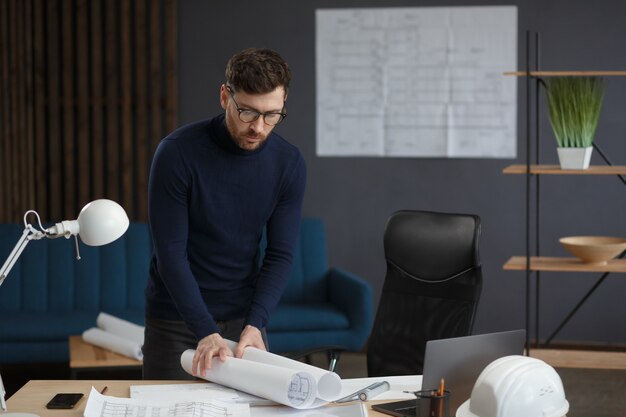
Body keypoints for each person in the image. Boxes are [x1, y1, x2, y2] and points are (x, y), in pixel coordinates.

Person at [143, 48, 306, 379]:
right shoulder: (177, 153)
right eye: (247, 112)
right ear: (224, 96)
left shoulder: (289, 164)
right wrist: (203, 329)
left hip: (244, 321)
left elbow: (280, 255)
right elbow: (170, 255)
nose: (259, 127)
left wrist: (256, 323)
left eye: (272, 115)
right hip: (174, 320)